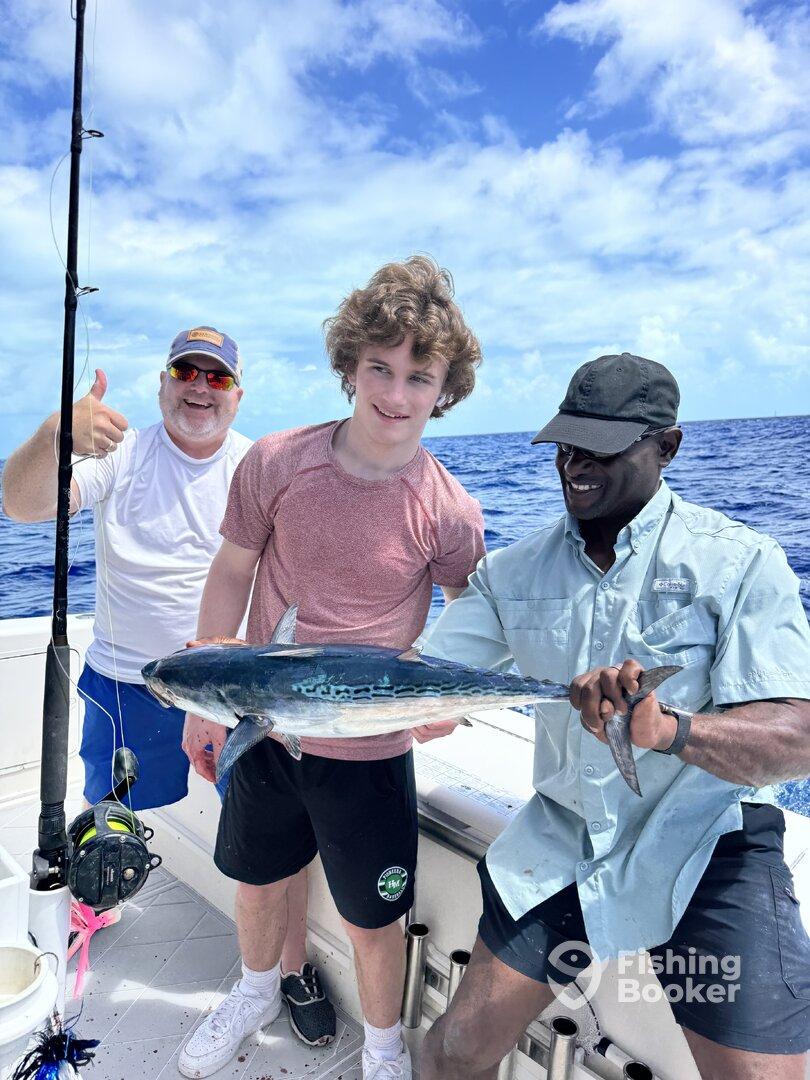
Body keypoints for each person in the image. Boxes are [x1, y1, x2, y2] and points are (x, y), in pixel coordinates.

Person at [418, 353, 810, 1080]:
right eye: (566, 443)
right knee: (452, 1052)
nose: (574, 462)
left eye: (602, 445)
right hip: (563, 841)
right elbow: (422, 682)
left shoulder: (743, 561)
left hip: (705, 850)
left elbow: (797, 738)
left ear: (667, 446)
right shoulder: (512, 572)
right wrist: (286, 675)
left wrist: (671, 731)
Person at [178, 255, 485, 1080]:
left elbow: (474, 617)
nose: (396, 392)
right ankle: (253, 992)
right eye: (379, 367)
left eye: (420, 376)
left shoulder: (449, 508)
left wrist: (447, 703)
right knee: (256, 880)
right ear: (349, 366)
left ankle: (383, 1051)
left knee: (371, 921)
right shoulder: (277, 462)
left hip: (371, 749)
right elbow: (233, 571)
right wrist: (204, 704)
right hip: (263, 731)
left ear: (445, 390)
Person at [2, 327, 336, 1032]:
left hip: (240, 694)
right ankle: (95, 907)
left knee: (274, 833)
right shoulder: (123, 451)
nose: (200, 388)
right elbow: (23, 506)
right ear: (162, 383)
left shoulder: (260, 466)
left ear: (238, 396)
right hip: (127, 682)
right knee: (106, 819)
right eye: (187, 371)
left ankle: (293, 967)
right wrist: (54, 434)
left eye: (217, 378)